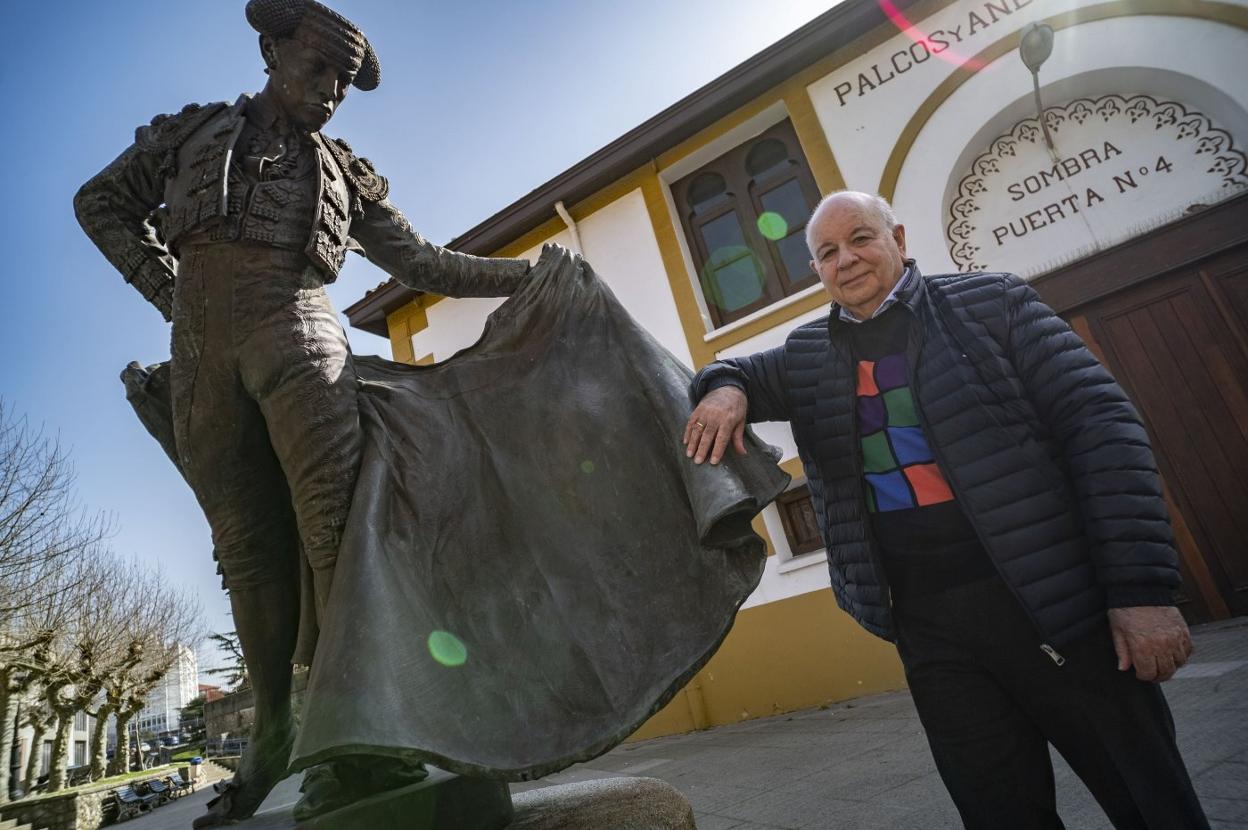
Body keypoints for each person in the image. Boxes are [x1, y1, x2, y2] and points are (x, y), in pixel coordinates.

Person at [74, 1, 532, 824]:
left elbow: (425, 261)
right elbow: (98, 203)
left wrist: (525, 275)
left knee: (334, 526)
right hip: (202, 346)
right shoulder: (187, 136)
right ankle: (276, 731)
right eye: (317, 68)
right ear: (270, 49)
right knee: (245, 544)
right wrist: (166, 290)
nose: (329, 92)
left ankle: (352, 731)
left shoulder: (343, 176)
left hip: (301, 334)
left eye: (343, 84)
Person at [685, 190, 1210, 829]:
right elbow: (730, 366)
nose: (845, 260)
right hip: (930, 630)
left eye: (861, 239)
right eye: (827, 253)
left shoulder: (992, 303)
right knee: (998, 812)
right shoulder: (807, 355)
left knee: (1150, 801)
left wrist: (1140, 590)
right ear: (817, 271)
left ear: (899, 239)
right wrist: (723, 391)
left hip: (1055, 605)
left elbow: (1103, 427)